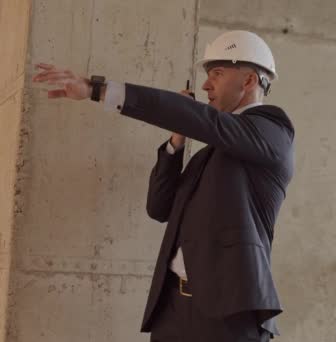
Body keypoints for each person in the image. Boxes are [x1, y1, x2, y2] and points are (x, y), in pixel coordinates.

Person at [33, 30, 294, 342]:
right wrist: (176, 139)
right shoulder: (209, 154)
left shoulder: (273, 131)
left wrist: (97, 89)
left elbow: (208, 122)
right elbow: (159, 207)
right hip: (172, 307)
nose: (206, 85)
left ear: (249, 80)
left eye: (217, 75)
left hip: (228, 314)